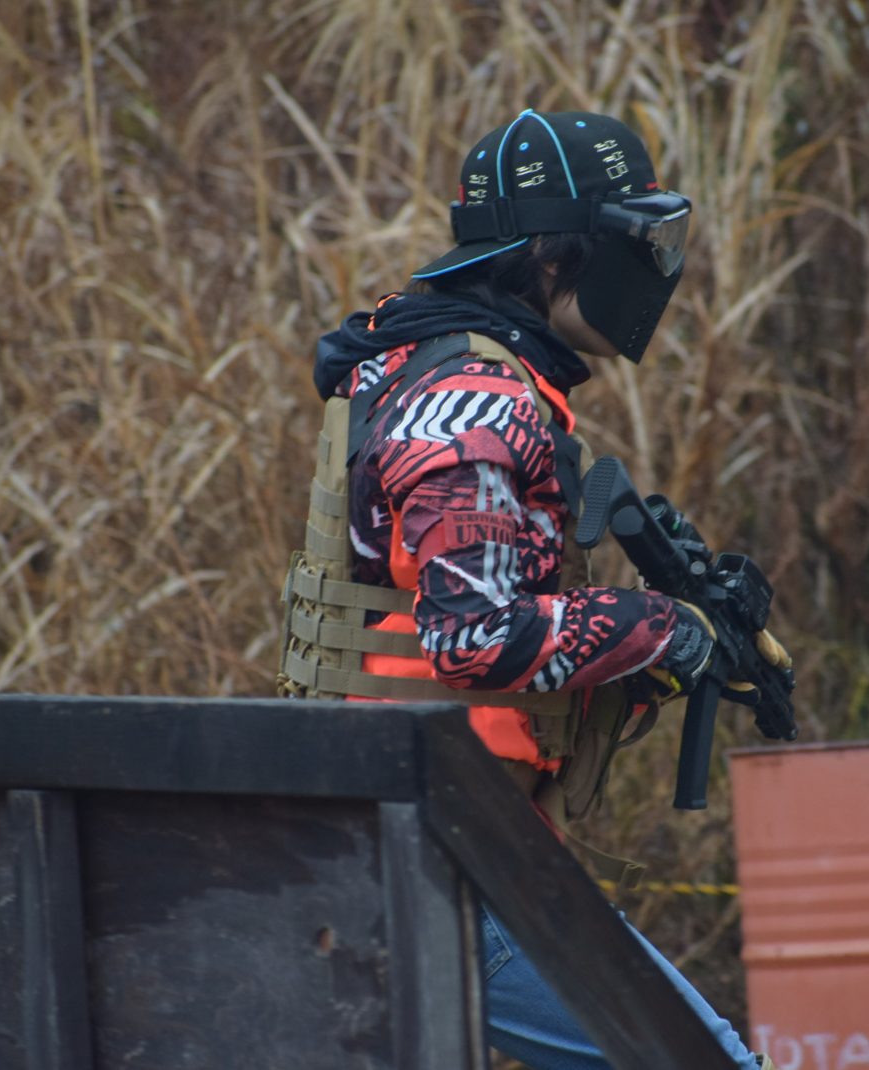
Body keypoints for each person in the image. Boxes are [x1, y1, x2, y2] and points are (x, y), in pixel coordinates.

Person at [280, 109, 785, 1069]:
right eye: (641, 240)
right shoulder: (472, 400)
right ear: (554, 257)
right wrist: (662, 628)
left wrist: (638, 665)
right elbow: (472, 636)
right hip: (436, 852)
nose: (658, 268)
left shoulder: (431, 366)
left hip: (420, 827)